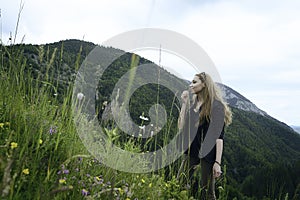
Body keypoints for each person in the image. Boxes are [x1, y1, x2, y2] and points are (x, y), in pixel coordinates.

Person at [177, 72, 232, 199]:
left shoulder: (216, 106)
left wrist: (217, 162)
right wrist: (184, 104)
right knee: (179, 183)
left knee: (207, 192)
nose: (191, 85)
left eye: (194, 82)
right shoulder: (194, 103)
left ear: (204, 84)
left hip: (208, 153)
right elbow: (181, 125)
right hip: (191, 150)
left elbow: (219, 137)